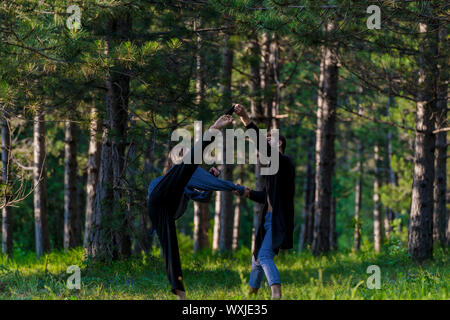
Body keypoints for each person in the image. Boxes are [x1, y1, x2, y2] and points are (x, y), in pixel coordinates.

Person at [146, 114, 240, 300]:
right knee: (187, 167)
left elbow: (203, 197)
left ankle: (180, 294)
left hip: (166, 212)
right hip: (158, 202)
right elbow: (155, 198)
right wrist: (235, 187)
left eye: (184, 153)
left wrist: (212, 179)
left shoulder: (187, 181)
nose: (182, 155)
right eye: (178, 153)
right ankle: (215, 128)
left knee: (172, 251)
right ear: (171, 159)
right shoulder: (160, 181)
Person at [233, 104, 295, 300]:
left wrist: (245, 118)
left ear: (280, 145)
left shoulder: (284, 163)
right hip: (268, 219)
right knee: (256, 258)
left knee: (264, 256)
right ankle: (251, 295)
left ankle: (276, 294)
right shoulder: (273, 171)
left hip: (278, 220)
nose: (267, 143)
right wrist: (246, 192)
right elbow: (266, 197)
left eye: (271, 141)